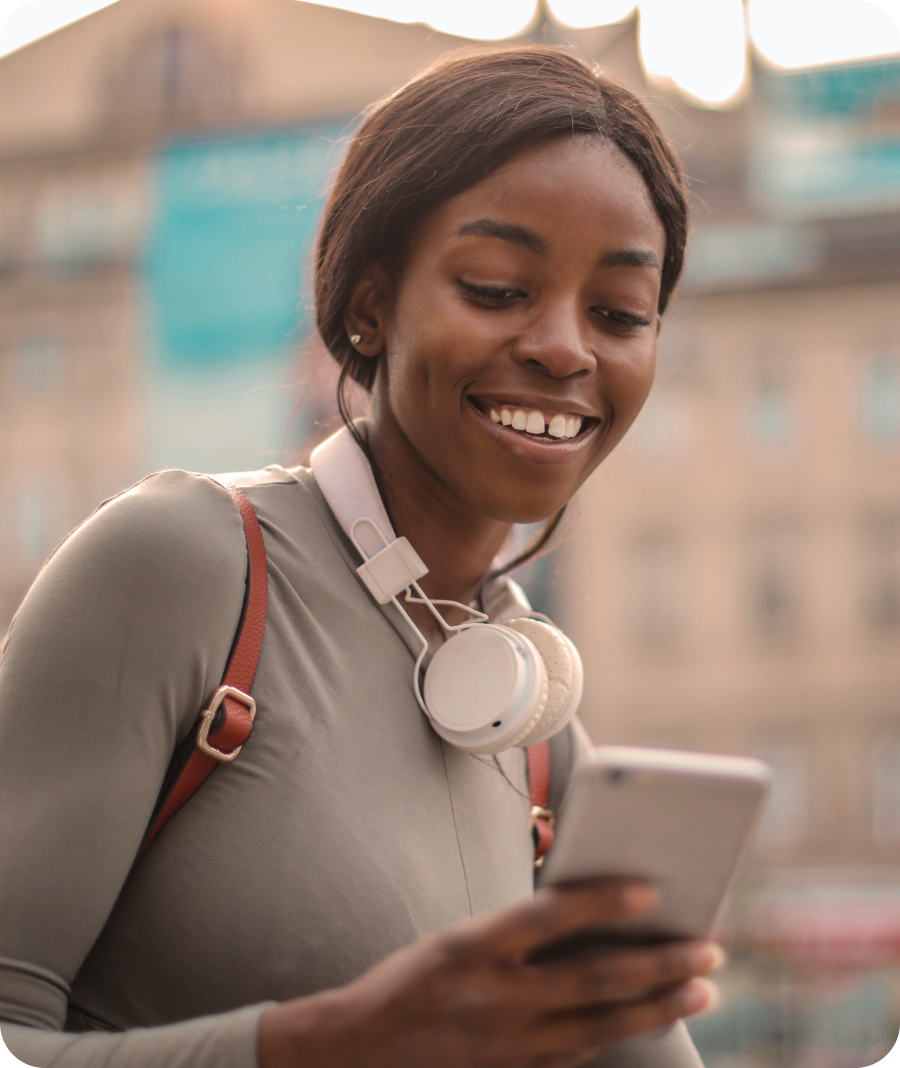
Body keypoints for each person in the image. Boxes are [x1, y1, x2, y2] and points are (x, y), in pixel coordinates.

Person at [0, 46, 720, 1068]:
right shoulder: (179, 568)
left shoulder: (551, 755)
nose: (567, 348)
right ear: (368, 307)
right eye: (497, 287)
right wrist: (328, 1042)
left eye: (618, 314)